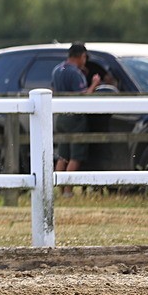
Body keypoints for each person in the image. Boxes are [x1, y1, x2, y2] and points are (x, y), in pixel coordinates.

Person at [51, 42, 101, 196]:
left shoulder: (57, 70)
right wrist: (94, 84)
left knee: (63, 155)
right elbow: (83, 98)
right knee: (75, 156)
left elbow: (53, 90)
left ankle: (60, 189)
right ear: (81, 56)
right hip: (75, 119)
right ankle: (68, 191)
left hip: (61, 116)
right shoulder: (75, 73)